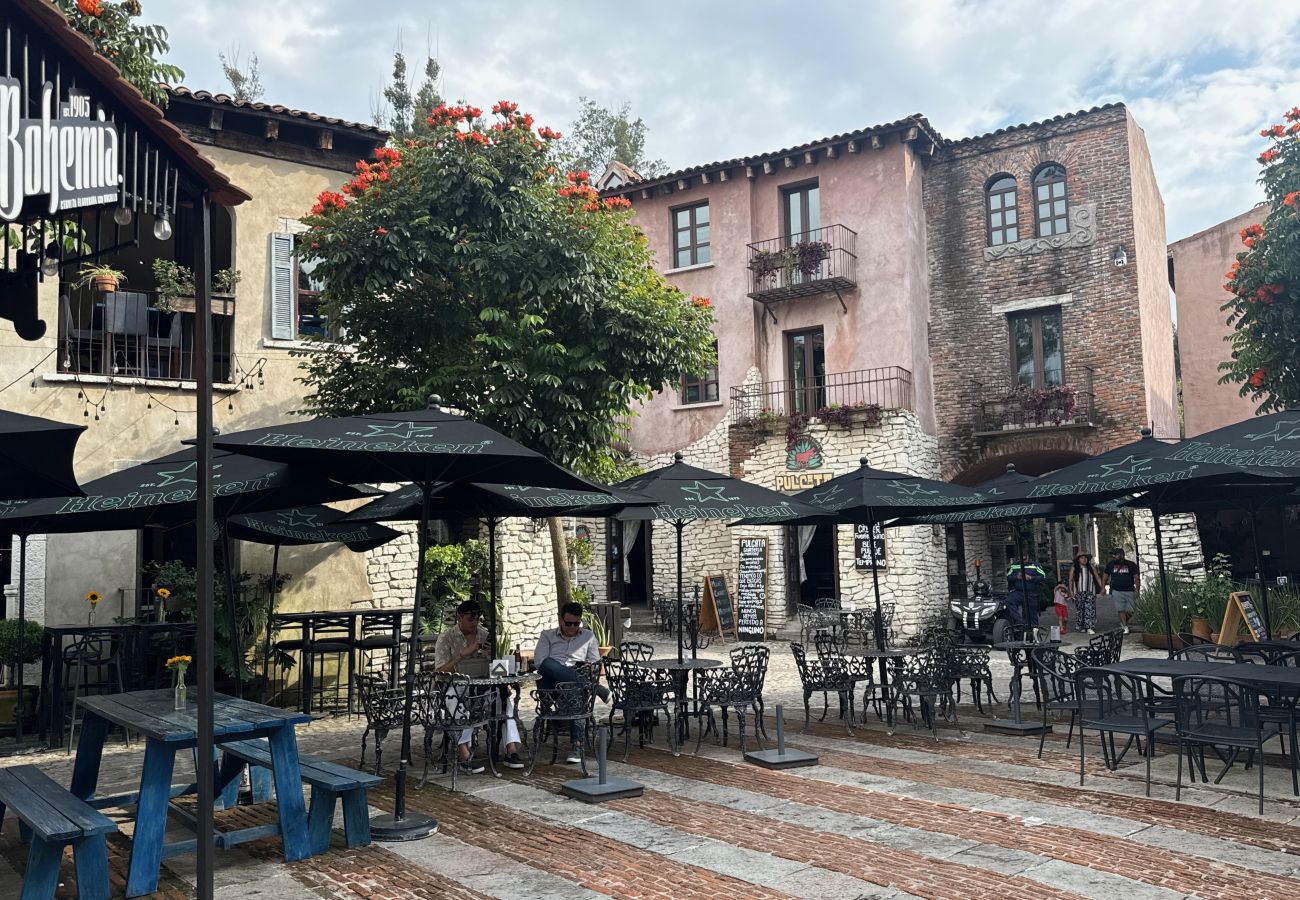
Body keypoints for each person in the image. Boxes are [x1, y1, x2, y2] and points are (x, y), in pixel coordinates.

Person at [433, 599, 524, 772]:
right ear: (459, 617)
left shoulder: (484, 635)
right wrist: (462, 656)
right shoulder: (446, 638)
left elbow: (496, 669)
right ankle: (464, 754)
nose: (474, 623)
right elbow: (439, 672)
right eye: (470, 618)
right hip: (456, 683)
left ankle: (510, 749)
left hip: (482, 683)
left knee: (504, 701)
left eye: (477, 618)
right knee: (456, 700)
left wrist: (492, 657)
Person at [534, 602, 610, 764]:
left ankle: (577, 745)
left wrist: (589, 667)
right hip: (551, 685)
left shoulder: (588, 636)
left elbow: (596, 663)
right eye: (568, 623)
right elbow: (540, 663)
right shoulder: (547, 635)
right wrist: (561, 670)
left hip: (575, 680)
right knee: (548, 663)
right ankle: (595, 688)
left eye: (576, 624)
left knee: (572, 687)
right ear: (560, 620)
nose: (572, 627)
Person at [1104, 547, 1140, 634]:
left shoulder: (1131, 564)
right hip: (1116, 590)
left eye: (1115, 554)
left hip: (1129, 589)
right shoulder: (1110, 564)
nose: (1113, 556)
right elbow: (1105, 576)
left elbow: (1136, 577)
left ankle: (1124, 621)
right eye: (1113, 554)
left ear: (1121, 555)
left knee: (1131, 610)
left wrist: (1137, 590)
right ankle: (1124, 626)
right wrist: (1102, 587)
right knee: (1120, 609)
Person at [1070, 552, 1105, 635]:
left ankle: (1089, 627)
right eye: (1082, 558)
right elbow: (1070, 580)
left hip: (1090, 592)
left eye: (1085, 557)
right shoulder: (1074, 568)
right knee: (1080, 610)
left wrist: (1102, 588)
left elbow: (1097, 577)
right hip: (1078, 592)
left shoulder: (1091, 568)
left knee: (1089, 609)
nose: (1084, 559)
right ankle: (1083, 626)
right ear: (1078, 560)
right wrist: (1071, 592)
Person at [1006, 555, 1046, 627]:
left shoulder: (1035, 565)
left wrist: (1031, 578)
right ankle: (1020, 622)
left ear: (1028, 557)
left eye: (1024, 559)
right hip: (1019, 591)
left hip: (1031, 593)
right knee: (1009, 600)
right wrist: (1016, 577)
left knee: (1032, 614)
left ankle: (1034, 632)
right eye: (1021, 559)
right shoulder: (1014, 565)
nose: (1023, 561)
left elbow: (1043, 576)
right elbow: (1008, 577)